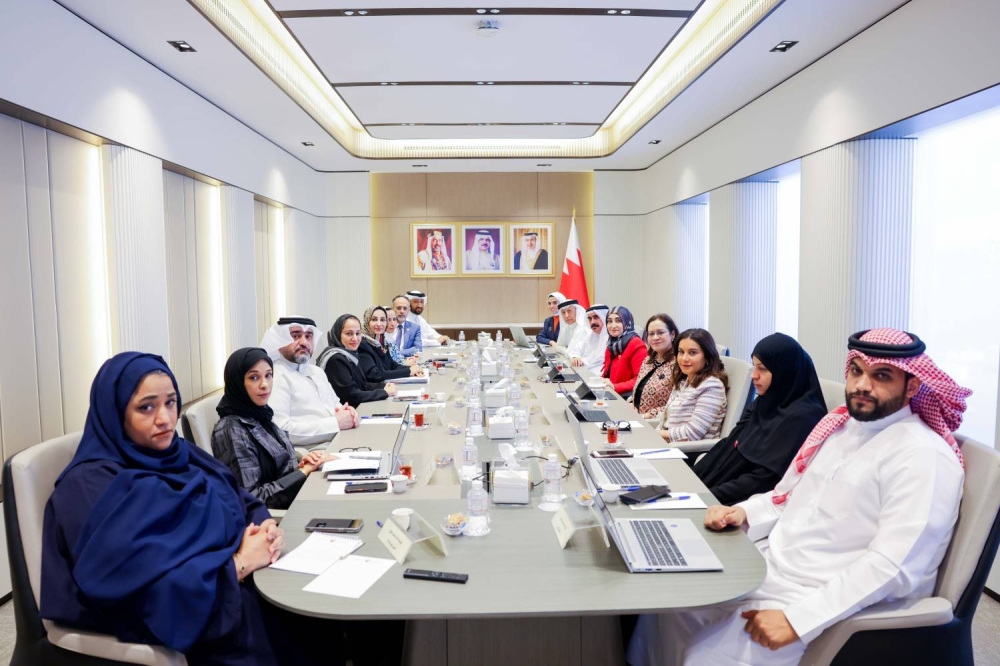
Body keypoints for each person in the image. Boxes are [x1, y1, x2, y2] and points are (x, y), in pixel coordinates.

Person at [628, 328, 971, 666]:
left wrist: (799, 619)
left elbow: (894, 566)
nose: (862, 385)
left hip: (827, 599)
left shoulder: (922, 455)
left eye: (881, 375)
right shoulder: (841, 429)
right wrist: (743, 513)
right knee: (668, 608)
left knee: (706, 655)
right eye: (856, 371)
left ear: (912, 386)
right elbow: (786, 498)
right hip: (773, 567)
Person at [40, 352, 287, 663]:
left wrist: (265, 526)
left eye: (170, 402)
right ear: (116, 412)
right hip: (190, 623)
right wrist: (239, 564)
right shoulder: (88, 486)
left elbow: (239, 496)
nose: (165, 419)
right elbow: (137, 586)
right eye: (146, 407)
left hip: (233, 593)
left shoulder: (179, 453)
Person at [692, 333, 828, 506]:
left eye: (762, 369)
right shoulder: (766, 401)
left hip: (737, 505)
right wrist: (691, 479)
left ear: (784, 372)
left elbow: (763, 480)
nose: (753, 375)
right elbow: (729, 445)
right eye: (754, 366)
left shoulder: (802, 418)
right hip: (714, 488)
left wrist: (703, 497)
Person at [212, 347, 336, 511]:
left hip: (297, 498)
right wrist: (302, 472)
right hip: (278, 517)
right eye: (254, 377)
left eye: (268, 375)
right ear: (237, 382)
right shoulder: (231, 430)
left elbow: (277, 466)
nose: (265, 385)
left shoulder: (261, 414)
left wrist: (301, 464)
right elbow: (252, 499)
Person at [262, 317, 358, 446]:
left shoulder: (317, 372)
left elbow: (336, 405)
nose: (304, 342)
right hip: (312, 451)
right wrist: (335, 423)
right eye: (296, 336)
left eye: (308, 336)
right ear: (280, 341)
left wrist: (349, 413)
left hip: (341, 440)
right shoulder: (275, 376)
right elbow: (281, 430)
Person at [657, 328, 728, 443]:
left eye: (692, 353)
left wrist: (653, 434)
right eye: (681, 352)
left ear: (707, 356)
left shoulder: (712, 386)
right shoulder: (683, 381)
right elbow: (665, 421)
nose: (684, 358)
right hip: (667, 444)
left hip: (687, 450)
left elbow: (693, 434)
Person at [319, 314, 397, 408]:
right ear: (338, 334)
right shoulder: (336, 360)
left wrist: (383, 386)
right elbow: (352, 396)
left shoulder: (350, 354)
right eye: (349, 333)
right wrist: (384, 392)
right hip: (348, 412)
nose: (355, 339)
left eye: (358, 333)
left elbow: (361, 385)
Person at [629, 313, 680, 420]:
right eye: (651, 334)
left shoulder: (679, 364)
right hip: (635, 417)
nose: (655, 337)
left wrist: (647, 416)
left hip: (656, 422)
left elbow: (678, 404)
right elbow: (638, 390)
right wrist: (631, 404)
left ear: (672, 334)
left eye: (660, 332)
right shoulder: (648, 360)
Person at [359, 305, 425, 383]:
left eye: (382, 320)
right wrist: (408, 372)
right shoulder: (362, 344)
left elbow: (393, 365)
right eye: (374, 319)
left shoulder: (382, 342)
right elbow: (375, 374)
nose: (379, 324)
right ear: (367, 321)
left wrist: (413, 369)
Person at [602, 306, 647, 397]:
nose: (613, 325)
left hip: (626, 397)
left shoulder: (636, 344)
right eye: (609, 321)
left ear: (627, 322)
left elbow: (640, 380)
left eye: (618, 321)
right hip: (610, 394)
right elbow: (607, 375)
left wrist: (615, 387)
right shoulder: (611, 344)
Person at [569, 304, 610, 374]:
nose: (592, 322)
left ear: (604, 317)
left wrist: (583, 363)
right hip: (584, 371)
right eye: (590, 319)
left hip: (598, 374)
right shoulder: (591, 335)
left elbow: (599, 361)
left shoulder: (610, 337)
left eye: (596, 317)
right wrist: (575, 357)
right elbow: (576, 348)